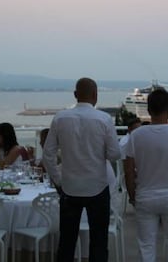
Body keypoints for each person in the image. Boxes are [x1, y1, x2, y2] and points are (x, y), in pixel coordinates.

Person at [42, 77, 121, 262]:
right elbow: (115, 154)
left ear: (76, 95)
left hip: (69, 187)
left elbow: (48, 155)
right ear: (95, 95)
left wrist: (58, 181)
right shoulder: (104, 119)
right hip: (98, 187)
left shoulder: (60, 118)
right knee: (99, 242)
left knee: (67, 242)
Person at [124, 88, 168, 262]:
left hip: (145, 197)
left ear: (148, 110)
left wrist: (133, 196)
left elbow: (128, 171)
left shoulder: (136, 135)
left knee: (146, 248)